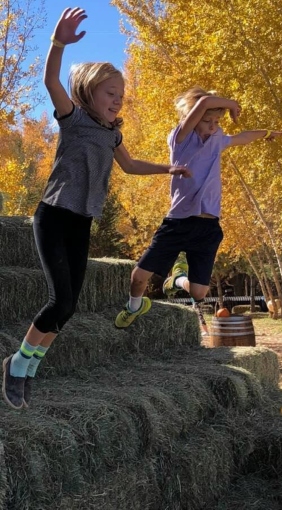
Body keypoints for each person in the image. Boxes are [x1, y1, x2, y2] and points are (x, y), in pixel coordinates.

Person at [1, 7, 190, 411]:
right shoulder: (73, 118)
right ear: (88, 92)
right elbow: (51, 80)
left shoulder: (113, 133)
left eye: (121, 95)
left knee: (68, 309)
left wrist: (168, 167)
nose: (117, 99)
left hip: (81, 222)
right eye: (110, 93)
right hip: (53, 215)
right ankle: (17, 365)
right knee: (61, 302)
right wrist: (57, 44)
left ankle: (29, 368)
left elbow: (131, 164)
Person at [115, 86, 282, 331]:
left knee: (199, 292)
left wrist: (266, 133)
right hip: (178, 222)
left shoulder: (217, 141)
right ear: (190, 118)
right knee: (138, 278)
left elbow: (242, 137)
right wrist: (231, 102)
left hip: (207, 226)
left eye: (216, 121)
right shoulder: (180, 139)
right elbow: (204, 102)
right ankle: (133, 306)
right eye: (207, 121)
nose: (213, 126)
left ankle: (177, 279)